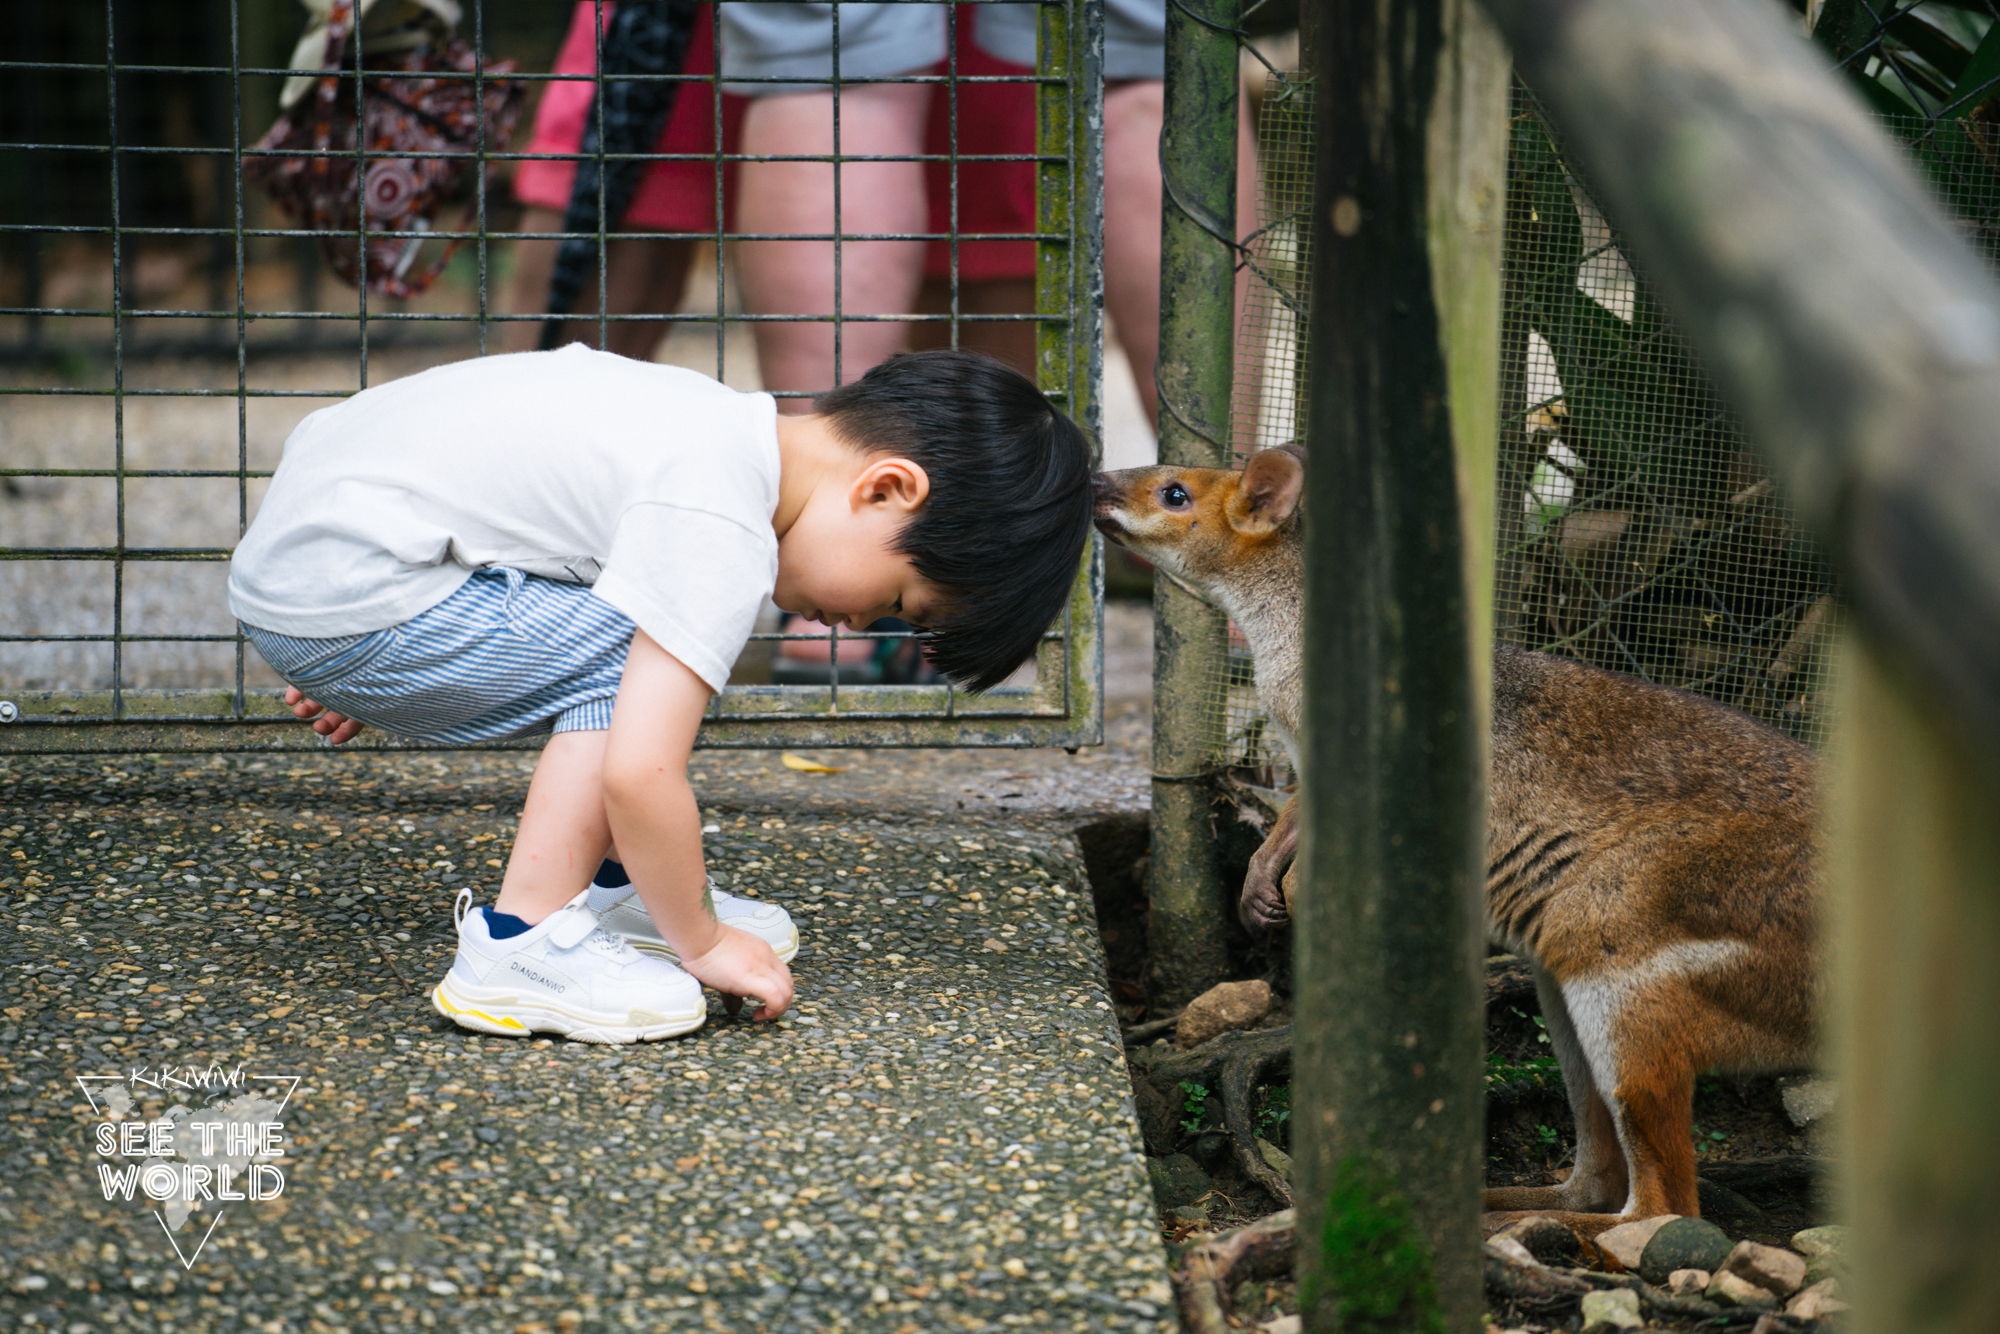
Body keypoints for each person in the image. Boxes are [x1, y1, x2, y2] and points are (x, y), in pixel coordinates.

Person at [226, 346, 1093, 1044]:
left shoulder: (704, 422)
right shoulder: (721, 518)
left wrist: (374, 645)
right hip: (357, 598)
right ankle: (520, 949)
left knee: (645, 635)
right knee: (642, 654)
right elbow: (641, 773)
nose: (861, 621)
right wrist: (704, 943)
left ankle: (610, 886)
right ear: (888, 488)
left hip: (321, 568)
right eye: (903, 600)